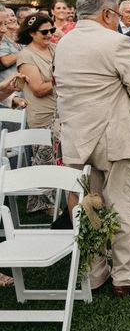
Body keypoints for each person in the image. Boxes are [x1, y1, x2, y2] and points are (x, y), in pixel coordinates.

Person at [54, 0, 130, 297]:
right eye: (116, 15)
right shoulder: (118, 42)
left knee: (90, 210)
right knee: (123, 207)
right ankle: (125, 278)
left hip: (77, 139)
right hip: (114, 139)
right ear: (107, 14)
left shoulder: (64, 42)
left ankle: (95, 273)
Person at [16, 13, 59, 215]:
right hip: (42, 113)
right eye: (44, 32)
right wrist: (60, 79)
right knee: (45, 159)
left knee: (59, 158)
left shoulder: (54, 48)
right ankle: (44, 205)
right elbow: (38, 88)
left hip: (61, 110)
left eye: (52, 30)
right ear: (32, 33)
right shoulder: (26, 55)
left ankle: (57, 198)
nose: (49, 34)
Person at [0, 7, 23, 81]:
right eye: (7, 16)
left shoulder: (19, 38)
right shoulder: (2, 40)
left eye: (12, 15)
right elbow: (6, 61)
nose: (11, 19)